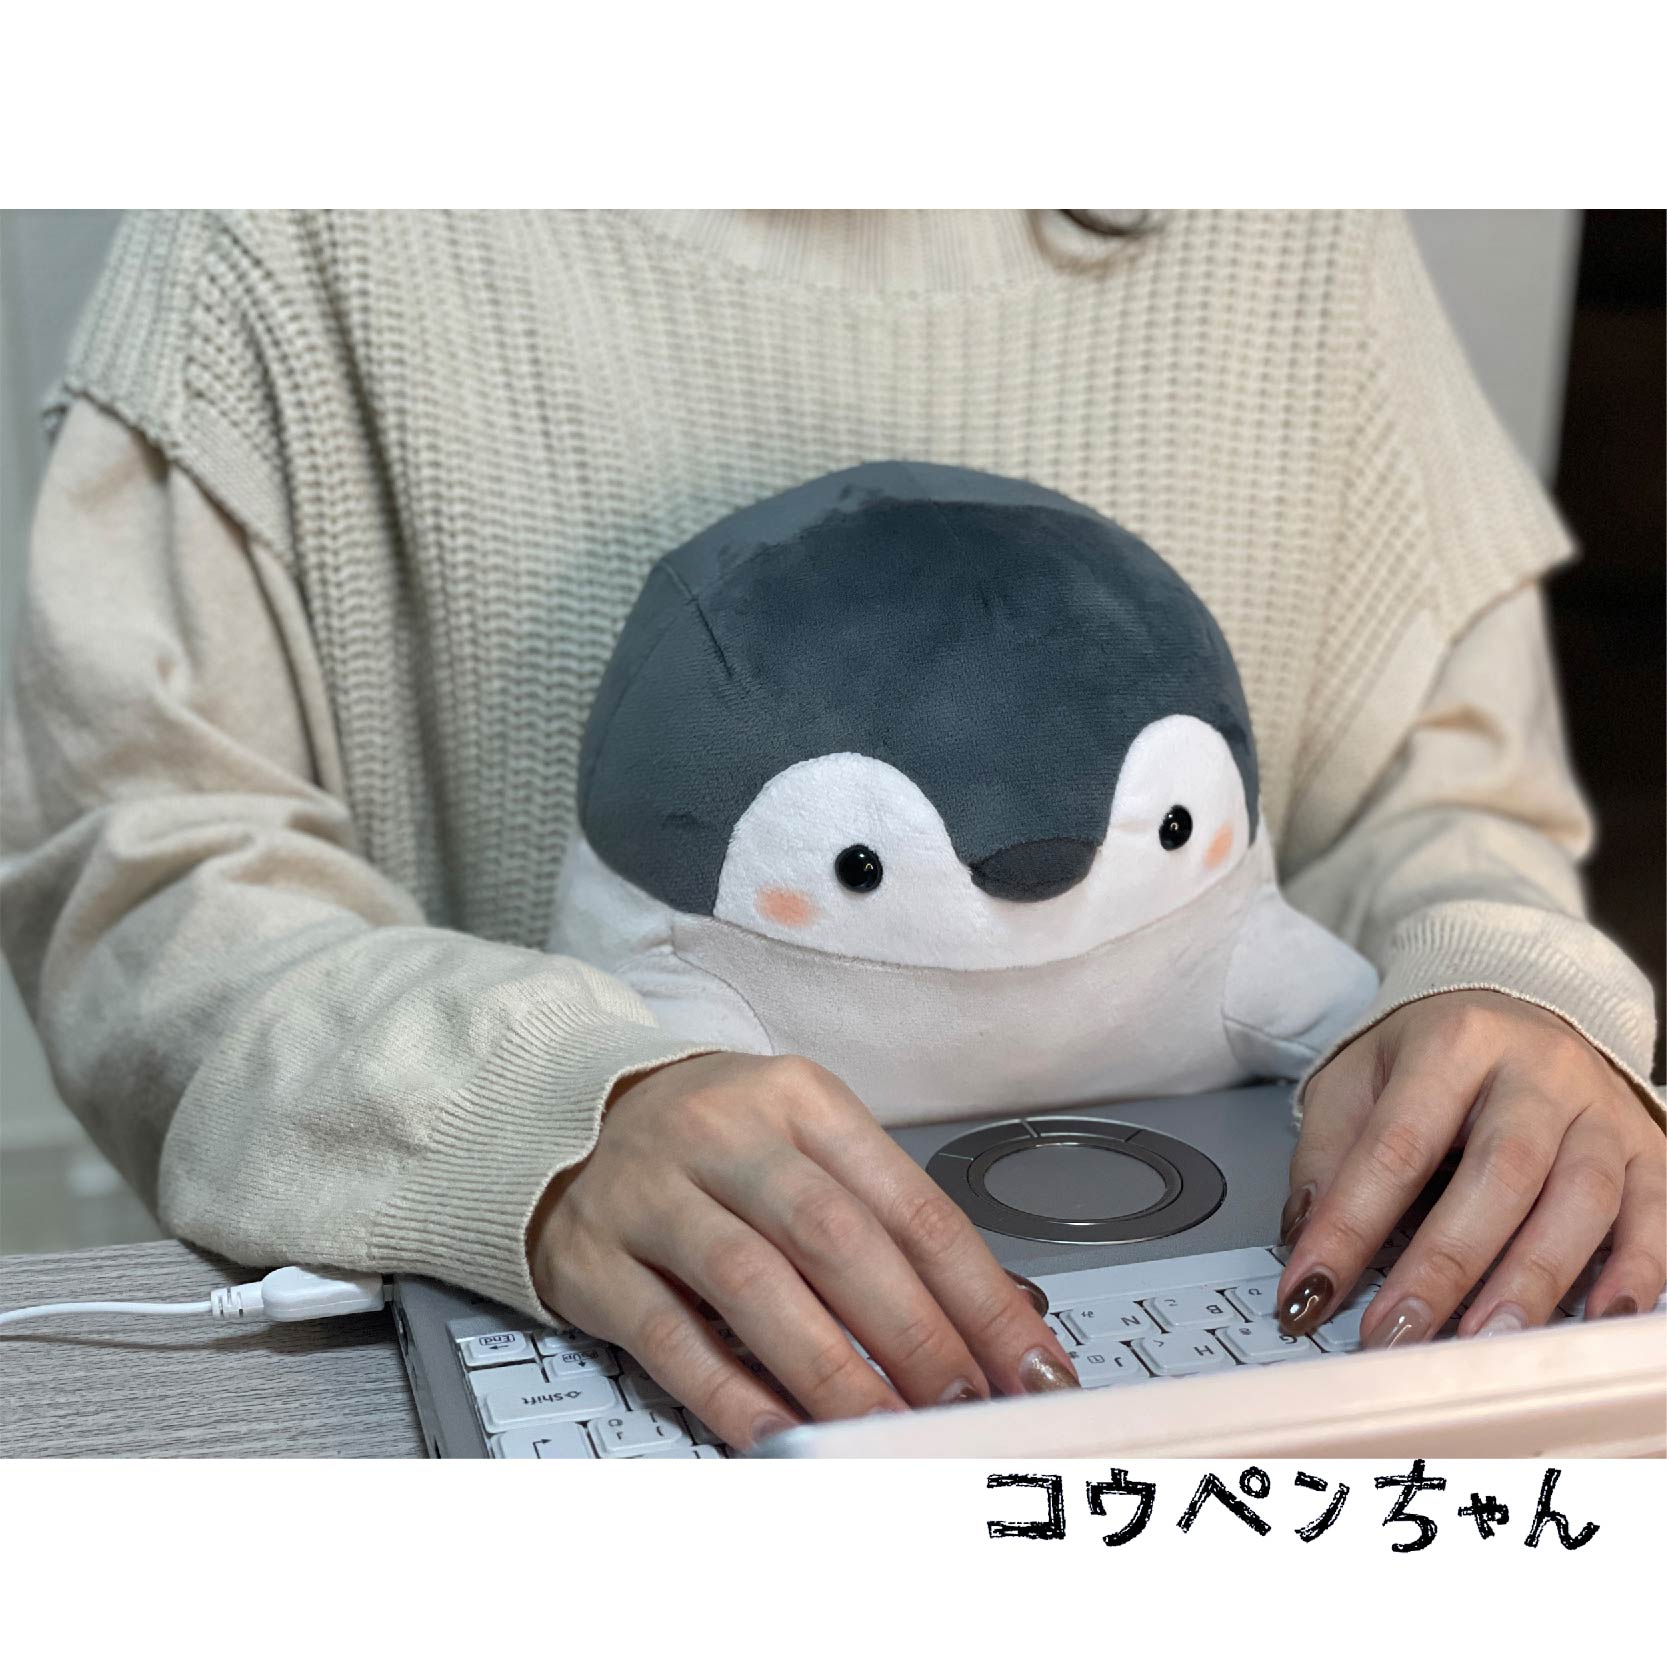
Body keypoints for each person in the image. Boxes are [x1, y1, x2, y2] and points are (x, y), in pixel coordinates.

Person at [2, 210, 1660, 1451]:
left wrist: (1503, 988)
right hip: (611, 1358)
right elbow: (150, 878)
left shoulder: (1296, 221)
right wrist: (528, 1120)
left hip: (1281, 1333)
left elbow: (1440, 800)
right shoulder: (288, 230)